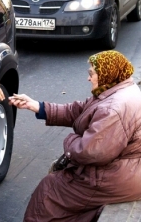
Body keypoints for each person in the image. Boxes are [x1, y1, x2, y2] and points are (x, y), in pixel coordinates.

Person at [9, 50, 141, 221]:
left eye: (91, 73)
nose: (88, 78)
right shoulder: (118, 89)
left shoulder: (113, 108)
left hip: (114, 178)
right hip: (125, 171)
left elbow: (90, 152)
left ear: (107, 73)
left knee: (48, 192)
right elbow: (78, 110)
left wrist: (71, 140)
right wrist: (37, 106)